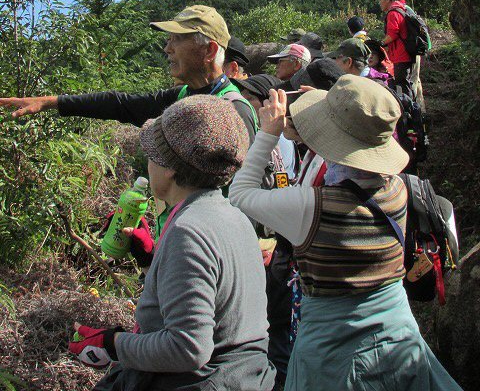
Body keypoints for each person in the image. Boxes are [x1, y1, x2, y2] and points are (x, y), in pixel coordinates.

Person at [229, 76, 463, 391]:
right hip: (398, 333)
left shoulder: (312, 206)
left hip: (336, 350)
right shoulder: (399, 188)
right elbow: (351, 151)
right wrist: (338, 110)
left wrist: (269, 132)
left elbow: (240, 194)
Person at [70, 95, 275, 390]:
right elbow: (215, 302)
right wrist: (152, 258)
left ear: (169, 168)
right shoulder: (232, 216)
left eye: (152, 155)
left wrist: (113, 344)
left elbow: (188, 347)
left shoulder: (188, 231)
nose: (147, 163)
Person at [0, 5, 257, 144]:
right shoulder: (181, 95)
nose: (167, 48)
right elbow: (120, 104)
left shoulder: (234, 110)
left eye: (176, 40)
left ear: (210, 50)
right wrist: (51, 102)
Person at [232, 73, 298, 391]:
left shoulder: (273, 141)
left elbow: (257, 193)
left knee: (273, 333)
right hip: (275, 247)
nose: (241, 107)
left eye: (247, 100)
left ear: (264, 102)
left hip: (272, 252)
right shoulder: (271, 141)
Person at [392, 0, 427, 111]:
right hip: (415, 50)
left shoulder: (400, 11)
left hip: (408, 52)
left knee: (410, 81)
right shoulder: (408, 9)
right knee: (415, 80)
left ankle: (413, 111)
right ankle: (421, 110)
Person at [378, 0, 415, 99]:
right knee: (405, 83)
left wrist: (381, 43)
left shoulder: (393, 13)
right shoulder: (401, 9)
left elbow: (392, 34)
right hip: (406, 53)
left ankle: (410, 111)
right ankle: (412, 108)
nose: (379, 2)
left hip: (401, 55)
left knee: (402, 85)